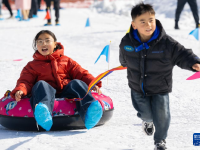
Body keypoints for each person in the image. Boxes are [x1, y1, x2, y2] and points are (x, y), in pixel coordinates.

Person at [119, 3, 200, 150]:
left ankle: (160, 141)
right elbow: (123, 59)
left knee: (162, 116)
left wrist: (194, 62)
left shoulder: (166, 43)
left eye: (151, 20)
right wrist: (125, 63)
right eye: (142, 21)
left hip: (160, 86)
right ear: (134, 25)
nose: (148, 24)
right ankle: (147, 121)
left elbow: (182, 53)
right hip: (138, 87)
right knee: (146, 113)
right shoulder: (126, 42)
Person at [10, 30, 103, 131]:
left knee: (77, 83)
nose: (43, 44)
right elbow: (25, 81)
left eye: (47, 40)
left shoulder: (66, 60)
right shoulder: (31, 66)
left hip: (67, 92)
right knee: (41, 84)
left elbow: (81, 73)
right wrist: (21, 90)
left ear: (55, 44)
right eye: (40, 41)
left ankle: (90, 109)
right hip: (45, 94)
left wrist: (93, 83)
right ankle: (43, 112)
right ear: (36, 45)